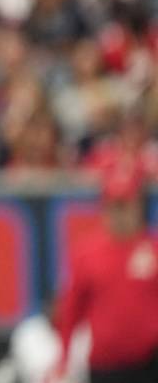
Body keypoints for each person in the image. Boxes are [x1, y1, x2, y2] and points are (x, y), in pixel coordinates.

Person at [52, 164, 158, 383]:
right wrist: (63, 356)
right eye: (114, 205)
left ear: (138, 205)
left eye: (125, 204)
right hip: (105, 365)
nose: (120, 213)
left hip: (150, 361)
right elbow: (71, 310)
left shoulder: (153, 249)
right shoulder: (87, 255)